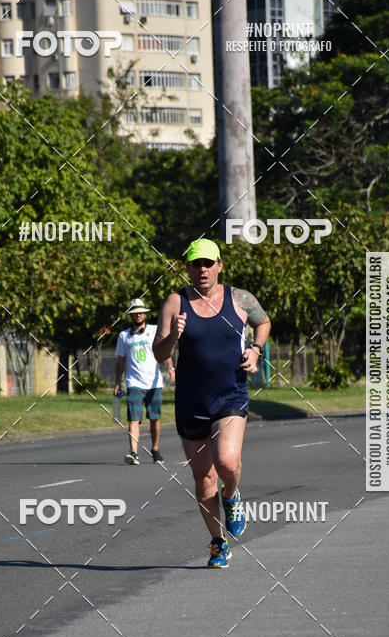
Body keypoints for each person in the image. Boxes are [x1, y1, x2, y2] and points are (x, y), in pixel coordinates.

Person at [153, 238, 271, 568]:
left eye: (207, 263)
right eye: (195, 264)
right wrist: (173, 336)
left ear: (219, 265)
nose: (201, 269)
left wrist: (256, 350)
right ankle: (218, 543)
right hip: (191, 401)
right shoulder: (175, 303)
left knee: (227, 463)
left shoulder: (240, 299)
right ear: (187, 268)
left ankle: (231, 494)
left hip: (230, 395)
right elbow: (159, 354)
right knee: (204, 479)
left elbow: (263, 322)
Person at [114, 297, 175, 465]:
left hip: (154, 382)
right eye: (134, 313)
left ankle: (155, 449)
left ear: (144, 314)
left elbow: (166, 351)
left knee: (154, 418)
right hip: (134, 382)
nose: (138, 315)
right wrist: (118, 383)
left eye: (140, 312)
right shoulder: (124, 336)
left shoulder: (155, 331)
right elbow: (120, 360)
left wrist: (171, 368)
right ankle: (133, 453)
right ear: (131, 316)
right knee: (133, 418)